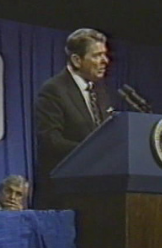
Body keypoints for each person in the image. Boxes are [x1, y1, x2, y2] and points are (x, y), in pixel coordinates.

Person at [34, 28, 112, 209]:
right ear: (77, 60)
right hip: (63, 196)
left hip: (98, 194)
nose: (105, 61)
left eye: (105, 55)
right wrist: (94, 152)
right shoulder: (54, 90)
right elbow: (51, 141)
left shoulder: (100, 92)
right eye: (97, 55)